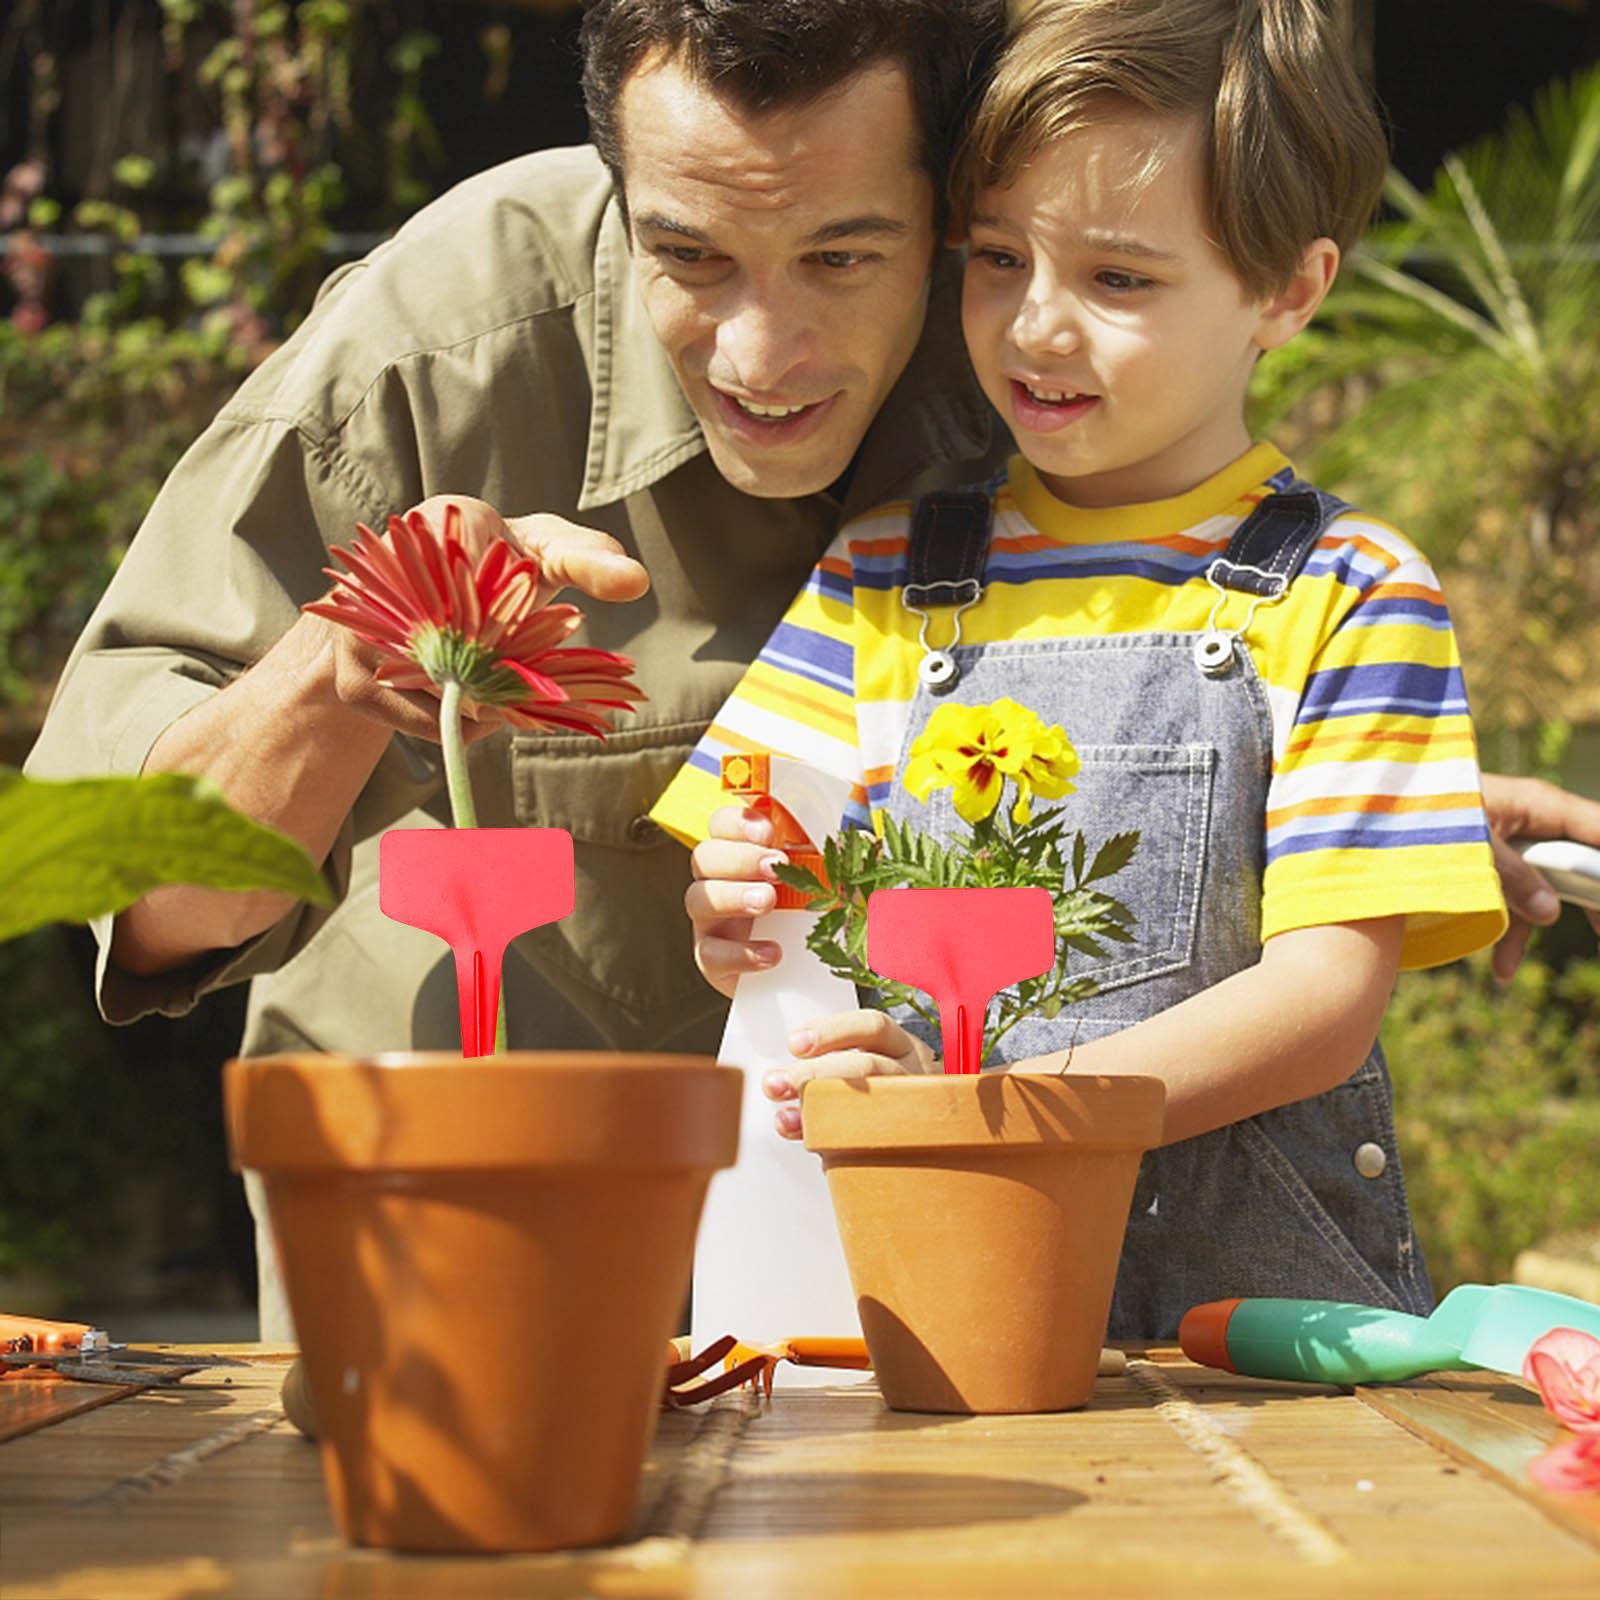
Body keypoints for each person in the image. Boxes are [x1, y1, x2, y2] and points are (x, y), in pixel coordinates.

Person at [24, 0, 1011, 1336]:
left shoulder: (1043, 337)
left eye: (841, 257)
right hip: (461, 1308)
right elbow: (146, 901)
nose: (761, 355)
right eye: (691, 255)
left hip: (912, 1317)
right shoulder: (427, 353)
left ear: (952, 215)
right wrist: (337, 666)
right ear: (613, 174)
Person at [659, 0, 1522, 1338]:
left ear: (1288, 291)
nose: (1036, 329)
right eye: (999, 258)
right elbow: (774, 893)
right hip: (933, 1301)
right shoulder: (879, 570)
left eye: (1119, 281)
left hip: (1249, 1338)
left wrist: (1009, 1116)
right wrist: (741, 910)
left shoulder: (1353, 594)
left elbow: (1323, 1001)